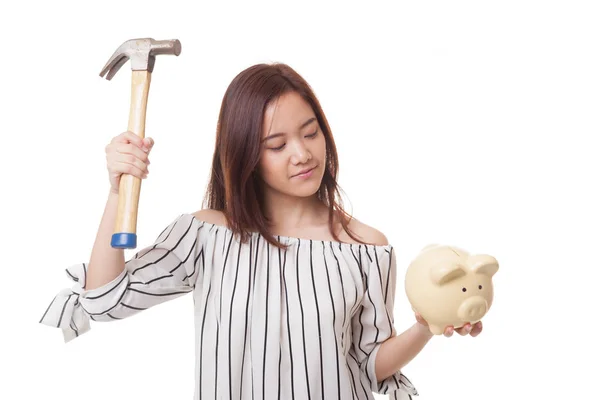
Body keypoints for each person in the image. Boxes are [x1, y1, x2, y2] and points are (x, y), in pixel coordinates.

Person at [39, 62, 482, 400]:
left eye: (311, 133)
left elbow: (370, 367)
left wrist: (428, 325)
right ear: (245, 152)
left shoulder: (366, 248)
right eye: (277, 144)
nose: (302, 154)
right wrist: (118, 191)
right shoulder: (206, 236)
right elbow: (103, 300)